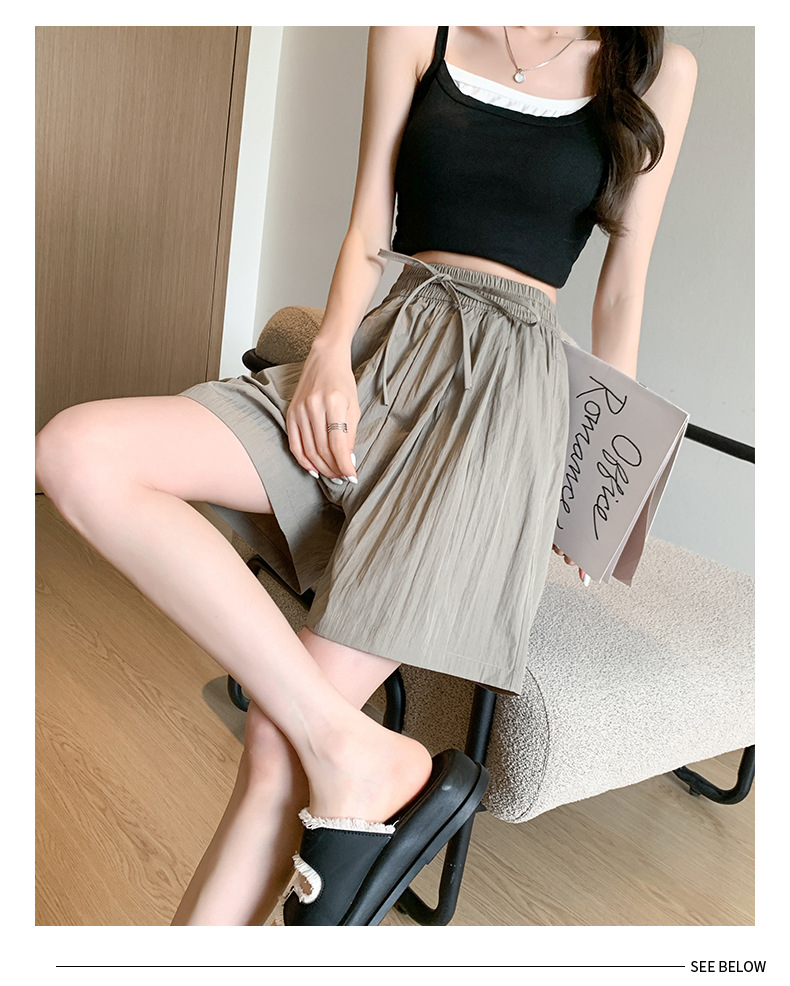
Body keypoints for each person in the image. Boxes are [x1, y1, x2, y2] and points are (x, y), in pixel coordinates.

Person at [35, 26, 697, 927]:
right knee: (78, 451)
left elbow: (623, 288)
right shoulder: (419, 24)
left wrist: (596, 498)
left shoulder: (655, 69)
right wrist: (328, 356)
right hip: (383, 350)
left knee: (276, 745)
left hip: (497, 409)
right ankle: (360, 751)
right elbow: (366, 228)